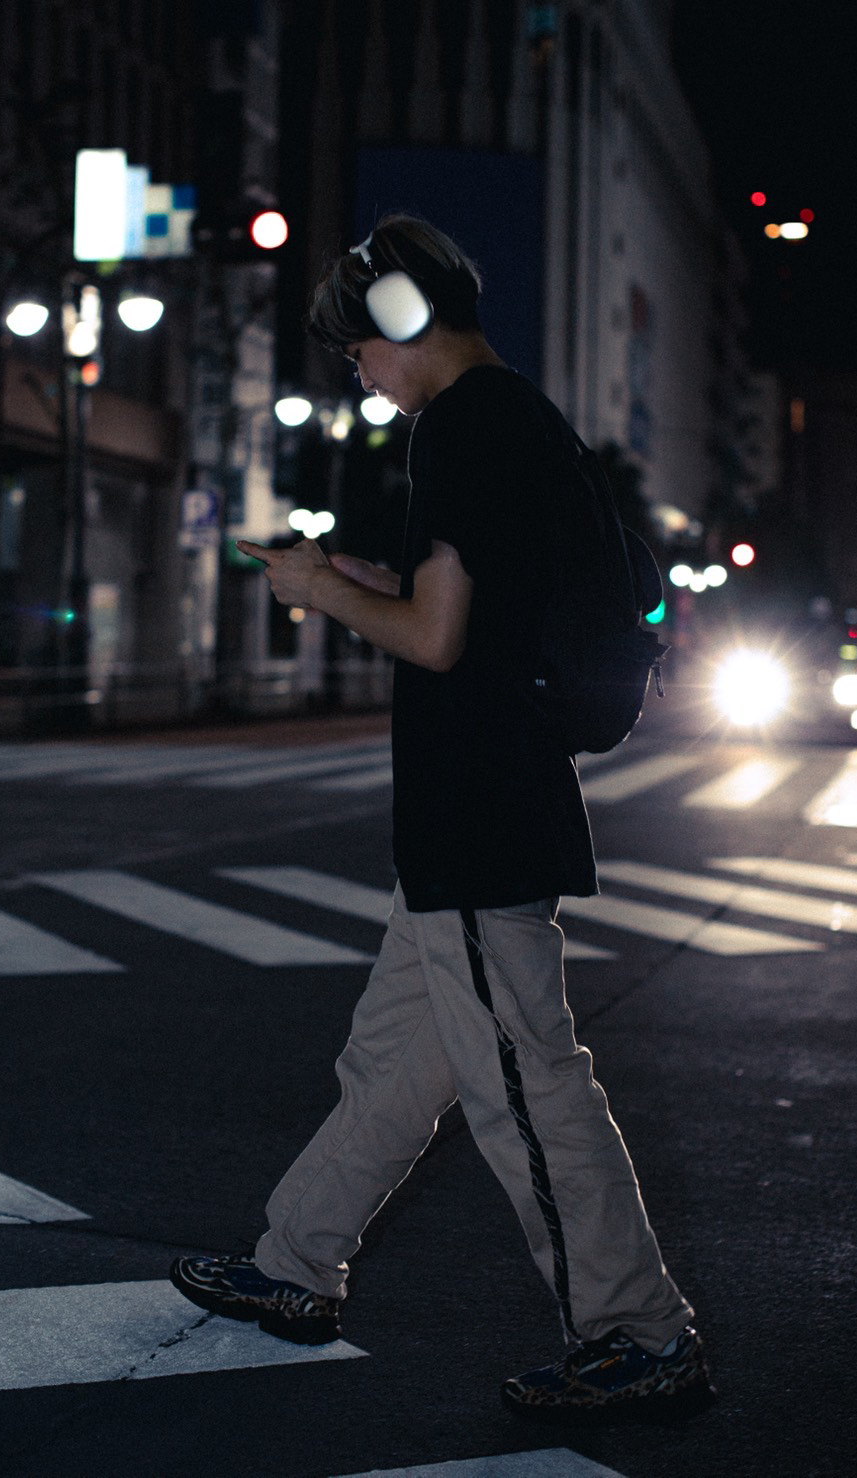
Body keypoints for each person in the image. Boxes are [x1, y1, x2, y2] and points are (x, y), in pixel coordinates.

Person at [169, 214, 713, 1420]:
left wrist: (320, 587)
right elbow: (467, 603)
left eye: (357, 346)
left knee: (527, 1086)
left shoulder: (461, 426)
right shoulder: (515, 418)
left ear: (403, 318)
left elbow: (434, 636)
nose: (356, 371)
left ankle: (638, 1331)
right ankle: (294, 1263)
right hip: (479, 812)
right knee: (389, 1065)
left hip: (478, 813)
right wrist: (363, 576)